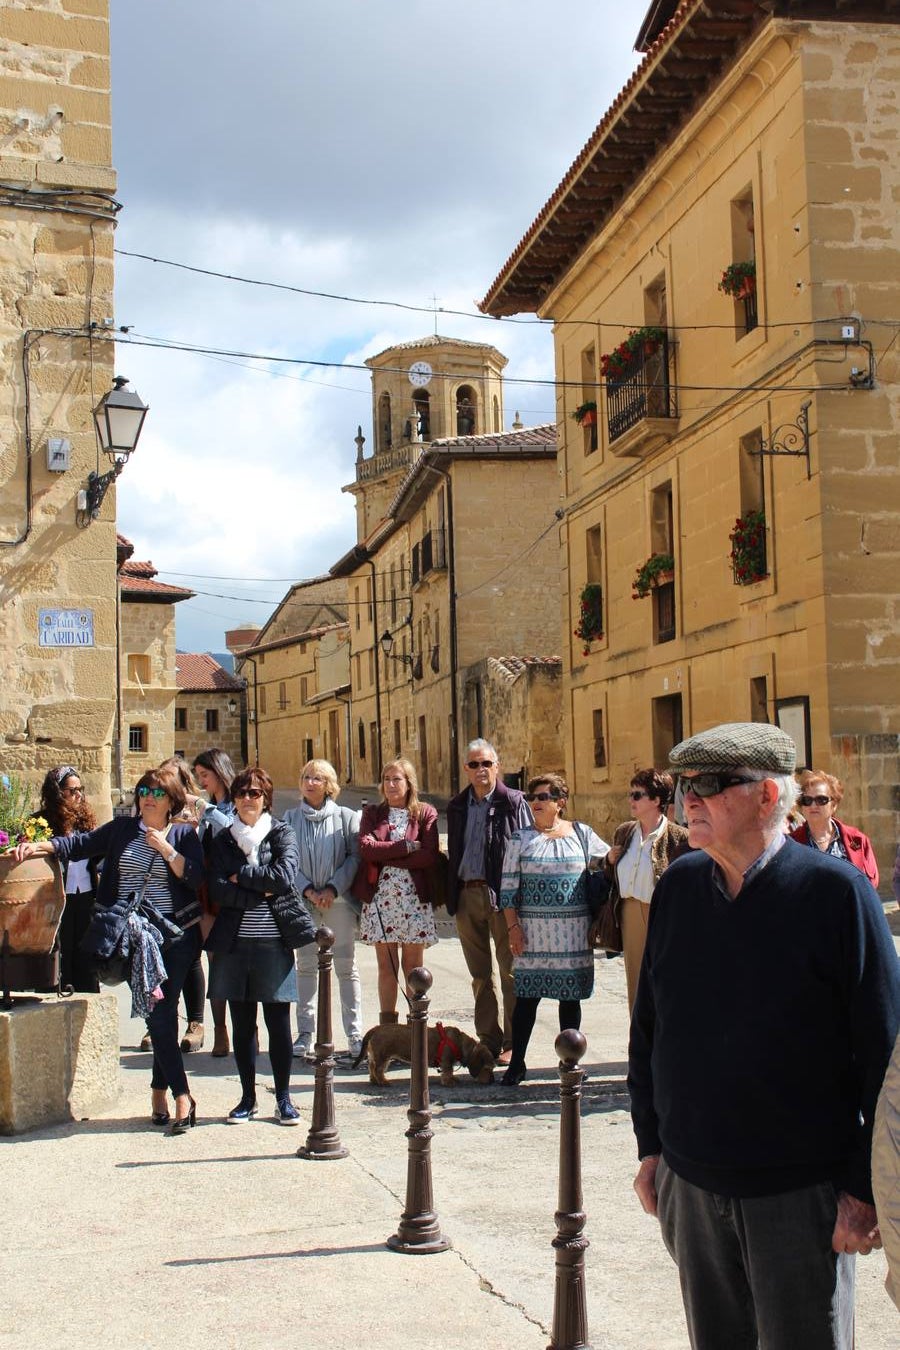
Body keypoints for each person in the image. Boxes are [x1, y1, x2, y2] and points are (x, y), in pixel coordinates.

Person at [628, 722, 900, 1350]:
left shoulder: (836, 895)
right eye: (684, 786)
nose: (688, 800)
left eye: (712, 785)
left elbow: (884, 1052)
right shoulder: (680, 889)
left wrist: (864, 1189)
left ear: (767, 797)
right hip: (692, 1186)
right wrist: (652, 1146)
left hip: (799, 1195)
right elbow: (651, 1027)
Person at [14, 765, 205, 1134]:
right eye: (144, 792)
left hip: (176, 937)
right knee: (159, 1015)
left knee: (161, 1015)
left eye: (157, 794)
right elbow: (81, 844)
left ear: (172, 801)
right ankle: (183, 1095)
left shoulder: (183, 834)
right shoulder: (121, 830)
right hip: (134, 938)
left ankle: (157, 1091)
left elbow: (195, 877)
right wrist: (41, 845)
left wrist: (166, 849)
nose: (149, 799)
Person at [206, 766, 315, 1125]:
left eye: (254, 793)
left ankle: (283, 1098)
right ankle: (247, 1098)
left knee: (278, 1022)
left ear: (266, 797)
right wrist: (257, 886)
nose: (247, 799)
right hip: (234, 943)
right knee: (241, 1023)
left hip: (273, 940)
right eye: (241, 793)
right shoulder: (223, 839)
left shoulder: (281, 832)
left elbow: (284, 879)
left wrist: (243, 877)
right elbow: (218, 887)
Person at [498, 772, 608, 1087]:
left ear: (560, 802)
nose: (535, 803)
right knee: (527, 999)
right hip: (532, 934)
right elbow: (508, 889)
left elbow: (609, 860)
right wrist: (513, 928)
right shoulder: (519, 839)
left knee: (569, 1000)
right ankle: (516, 1063)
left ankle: (569, 1064)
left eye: (543, 797)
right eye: (532, 798)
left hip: (573, 934)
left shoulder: (582, 834)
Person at [446, 739, 531, 1064]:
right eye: (474, 764)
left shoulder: (513, 802)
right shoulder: (456, 806)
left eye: (486, 764)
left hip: (503, 898)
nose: (481, 770)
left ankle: (513, 1042)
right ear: (466, 769)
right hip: (467, 895)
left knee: (510, 972)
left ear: (497, 767)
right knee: (480, 975)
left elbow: (527, 847)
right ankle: (488, 1039)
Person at [282, 759, 361, 1062]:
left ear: (329, 784)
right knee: (305, 967)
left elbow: (354, 858)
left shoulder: (346, 818)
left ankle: (354, 1034)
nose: (309, 782)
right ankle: (305, 1032)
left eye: (316, 778)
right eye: (305, 777)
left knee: (345, 966)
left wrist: (332, 888)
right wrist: (308, 890)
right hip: (304, 903)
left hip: (337, 904)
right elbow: (287, 859)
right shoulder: (289, 819)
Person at [353, 758, 438, 1025]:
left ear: (409, 783)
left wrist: (384, 853)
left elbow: (428, 856)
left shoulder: (425, 813)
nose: (390, 784)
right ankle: (388, 1028)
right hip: (382, 900)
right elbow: (366, 850)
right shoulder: (373, 814)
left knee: (413, 967)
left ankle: (416, 1026)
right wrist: (404, 847)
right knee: (387, 968)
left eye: (396, 779)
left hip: (414, 900)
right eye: (386, 779)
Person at [603, 768, 689, 1014]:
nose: (631, 800)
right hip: (628, 911)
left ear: (657, 800)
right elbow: (611, 876)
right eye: (630, 794)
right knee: (636, 983)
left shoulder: (678, 837)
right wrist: (609, 860)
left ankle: (665, 1042)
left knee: (664, 978)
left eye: (637, 795)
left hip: (661, 913)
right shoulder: (624, 832)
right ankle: (640, 1046)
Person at [158, 756, 208, 1053]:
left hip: (190, 886)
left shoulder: (196, 806)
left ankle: (196, 1022)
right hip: (161, 890)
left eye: (171, 778)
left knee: (190, 958)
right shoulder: (158, 807)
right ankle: (163, 1023)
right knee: (160, 959)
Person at [35, 765, 100, 993]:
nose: (78, 795)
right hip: (57, 897)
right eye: (72, 790)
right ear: (57, 792)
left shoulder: (86, 822)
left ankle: (85, 996)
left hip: (85, 896)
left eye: (80, 789)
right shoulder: (40, 823)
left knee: (84, 951)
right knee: (59, 950)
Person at [192, 748, 237, 1057]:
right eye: (198, 777)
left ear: (219, 772)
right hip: (208, 891)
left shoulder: (237, 801)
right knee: (214, 959)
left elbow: (235, 832)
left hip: (233, 890)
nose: (201, 781)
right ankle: (220, 1031)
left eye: (204, 775)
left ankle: (246, 1029)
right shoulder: (207, 808)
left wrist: (206, 811)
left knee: (238, 963)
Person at [789, 768, 879, 886]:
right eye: (807, 800)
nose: (813, 805)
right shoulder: (791, 843)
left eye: (821, 799)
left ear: (834, 805)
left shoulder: (858, 840)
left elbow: (870, 885)